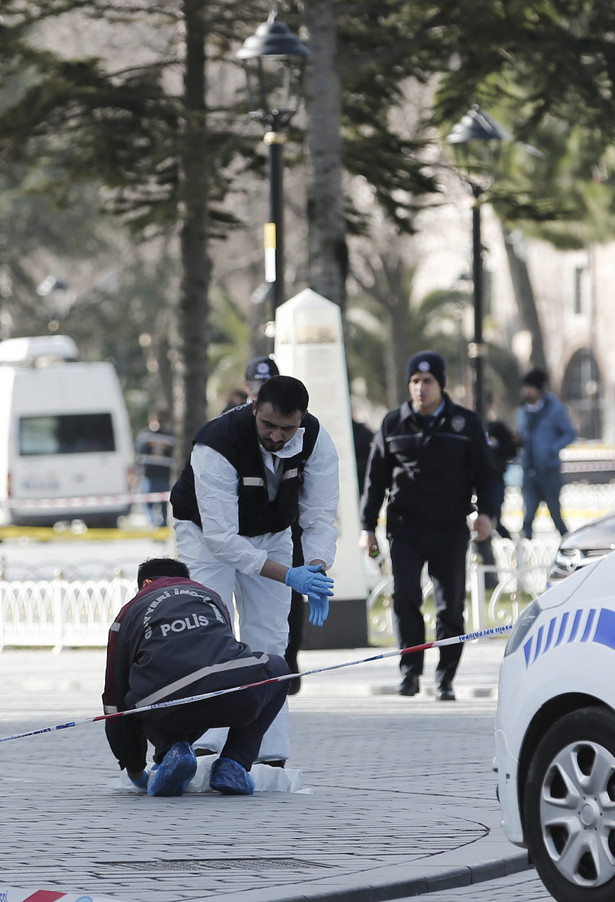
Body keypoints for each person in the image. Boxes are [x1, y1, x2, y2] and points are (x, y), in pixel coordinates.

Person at [170, 374, 339, 764]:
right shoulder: (216, 443)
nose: (277, 436)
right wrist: (288, 574)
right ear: (253, 409)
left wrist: (313, 569)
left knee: (271, 637)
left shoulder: (316, 441)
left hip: (273, 529)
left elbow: (319, 516)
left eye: (287, 428)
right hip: (205, 533)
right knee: (211, 630)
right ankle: (204, 741)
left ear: (303, 419)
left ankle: (268, 749)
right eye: (269, 425)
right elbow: (222, 539)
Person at [359, 350, 500, 701]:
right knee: (405, 599)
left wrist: (487, 513)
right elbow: (374, 480)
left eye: (428, 381)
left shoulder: (465, 423)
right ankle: (409, 674)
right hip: (405, 529)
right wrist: (367, 526)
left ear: (441, 384)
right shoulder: (393, 424)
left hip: (450, 529)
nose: (421, 388)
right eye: (415, 381)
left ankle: (445, 678)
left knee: (449, 608)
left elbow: (487, 475)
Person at [102, 557, 290, 797]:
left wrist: (134, 769)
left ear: (146, 583)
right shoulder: (209, 596)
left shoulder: (128, 612)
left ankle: (174, 750)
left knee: (139, 691)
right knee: (278, 669)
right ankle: (235, 763)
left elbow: (114, 699)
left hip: (167, 705)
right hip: (229, 695)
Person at [516, 367, 576, 538]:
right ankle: (523, 555)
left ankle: (568, 548)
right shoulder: (522, 411)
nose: (526, 391)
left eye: (530, 387)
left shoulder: (554, 409)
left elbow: (569, 433)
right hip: (529, 471)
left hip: (549, 471)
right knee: (527, 517)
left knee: (556, 516)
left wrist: (552, 448)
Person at [135, 410, 175, 527]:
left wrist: (137, 473)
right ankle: (161, 527)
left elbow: (139, 456)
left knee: (148, 502)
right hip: (162, 475)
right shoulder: (170, 437)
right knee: (162, 504)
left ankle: (155, 526)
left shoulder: (144, 435)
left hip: (150, 475)